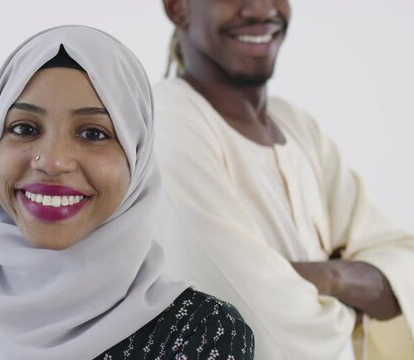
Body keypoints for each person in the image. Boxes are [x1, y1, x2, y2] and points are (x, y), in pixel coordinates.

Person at [0, 25, 254, 360]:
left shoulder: (200, 335)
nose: (52, 161)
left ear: (137, 156)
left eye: (93, 133)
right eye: (25, 128)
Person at [154, 0, 414, 359]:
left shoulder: (297, 127)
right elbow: (254, 319)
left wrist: (327, 278)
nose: (261, 8)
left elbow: (405, 269)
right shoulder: (169, 124)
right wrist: (355, 299)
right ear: (177, 7)